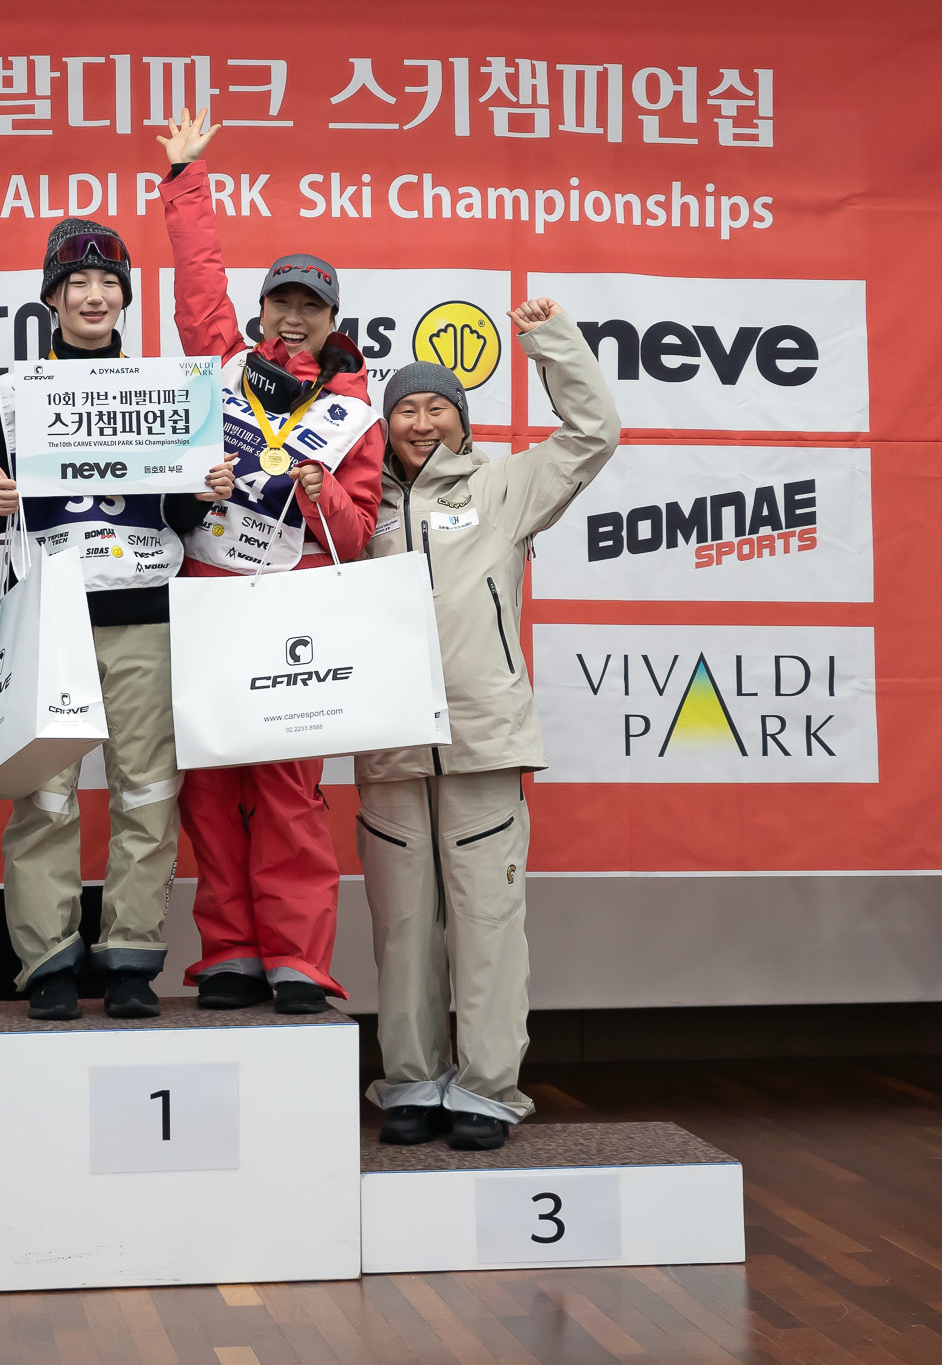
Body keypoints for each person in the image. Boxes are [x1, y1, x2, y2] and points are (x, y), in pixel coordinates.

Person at [356, 302, 621, 1150]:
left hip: (483, 742)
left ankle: (485, 1088)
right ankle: (410, 1079)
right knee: (402, 930)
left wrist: (552, 342)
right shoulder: (356, 506)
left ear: (462, 422)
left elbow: (594, 433)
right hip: (391, 748)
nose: (421, 422)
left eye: (437, 407)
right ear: (385, 424)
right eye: (405, 409)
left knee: (488, 926)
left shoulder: (504, 488)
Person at [155, 111, 385, 1013]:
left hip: (296, 615)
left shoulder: (354, 412)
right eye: (281, 302)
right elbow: (196, 287)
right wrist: (186, 181)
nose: (293, 316)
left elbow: (357, 536)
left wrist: (317, 489)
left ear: (333, 322)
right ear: (260, 312)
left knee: (289, 791)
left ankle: (297, 958)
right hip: (208, 599)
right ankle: (231, 953)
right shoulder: (221, 364)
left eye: (310, 306)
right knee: (211, 785)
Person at [0, 220, 230, 1021]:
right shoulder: (14, 393)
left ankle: (130, 957)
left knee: (147, 788)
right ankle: (48, 960)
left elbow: (181, 514)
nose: (94, 296)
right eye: (77, 284)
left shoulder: (165, 387)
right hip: (49, 617)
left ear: (124, 297)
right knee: (45, 795)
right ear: (51, 299)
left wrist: (207, 491)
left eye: (109, 284)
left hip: (143, 608)